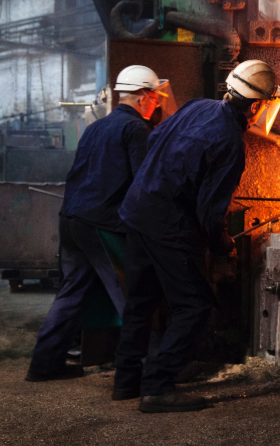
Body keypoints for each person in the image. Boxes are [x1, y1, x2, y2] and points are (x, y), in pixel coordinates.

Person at [112, 59, 280, 413]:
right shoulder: (231, 143)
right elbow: (210, 213)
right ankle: (158, 386)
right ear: (256, 105)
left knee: (141, 301)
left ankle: (126, 381)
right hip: (166, 224)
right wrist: (224, 246)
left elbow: (157, 137)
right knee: (194, 304)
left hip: (137, 211)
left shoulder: (196, 106)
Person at [26, 65, 170, 381]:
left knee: (71, 293)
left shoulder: (96, 127)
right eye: (156, 96)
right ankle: (157, 369)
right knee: (131, 297)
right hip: (101, 226)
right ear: (143, 96)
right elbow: (142, 183)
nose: (158, 103)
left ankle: (43, 364)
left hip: (72, 220)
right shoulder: (135, 130)